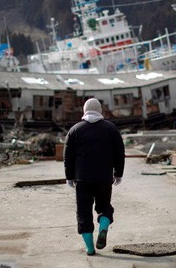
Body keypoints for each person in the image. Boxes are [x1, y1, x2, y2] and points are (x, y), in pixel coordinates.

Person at [64, 98, 125, 256]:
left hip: (82, 178)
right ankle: (103, 228)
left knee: (84, 213)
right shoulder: (111, 129)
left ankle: (90, 248)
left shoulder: (75, 130)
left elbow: (68, 157)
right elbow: (119, 153)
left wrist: (69, 177)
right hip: (104, 177)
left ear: (84, 111)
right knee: (104, 207)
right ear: (100, 111)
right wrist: (118, 173)